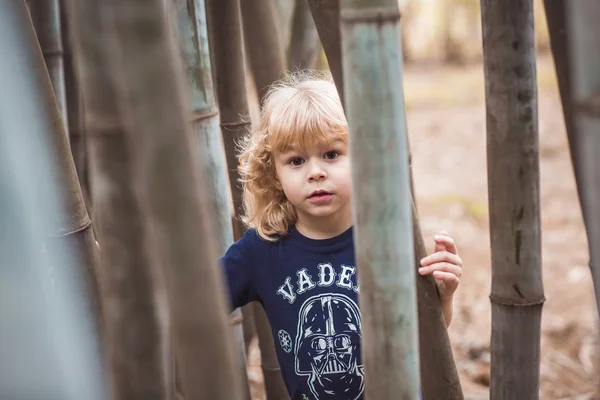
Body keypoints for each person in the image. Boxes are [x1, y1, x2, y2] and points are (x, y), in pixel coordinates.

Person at [220, 72, 463, 400]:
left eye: (331, 154)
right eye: (296, 160)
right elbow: (197, 303)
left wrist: (443, 296)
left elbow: (426, 339)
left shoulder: (390, 239)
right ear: (274, 174)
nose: (316, 171)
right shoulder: (262, 250)